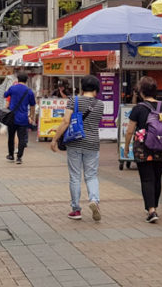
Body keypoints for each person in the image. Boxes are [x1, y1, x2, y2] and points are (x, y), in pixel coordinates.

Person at [51, 75, 105, 221]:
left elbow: (66, 121)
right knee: (91, 175)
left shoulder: (73, 100)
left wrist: (55, 139)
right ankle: (94, 200)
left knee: (75, 176)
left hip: (75, 143)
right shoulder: (100, 104)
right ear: (96, 88)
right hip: (92, 143)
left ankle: (76, 209)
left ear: (82, 87)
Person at [123, 76, 162, 223]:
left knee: (146, 179)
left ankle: (151, 210)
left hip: (143, 149)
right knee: (157, 178)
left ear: (141, 92)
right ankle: (154, 207)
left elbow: (130, 131)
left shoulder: (138, 108)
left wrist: (126, 147)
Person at [4, 71, 37, 164]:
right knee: (22, 138)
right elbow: (32, 106)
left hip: (12, 117)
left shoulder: (13, 88)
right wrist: (31, 116)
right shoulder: (29, 91)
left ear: (17, 79)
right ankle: (19, 157)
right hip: (23, 118)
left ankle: (11, 155)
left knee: (11, 136)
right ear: (26, 80)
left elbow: (5, 95)